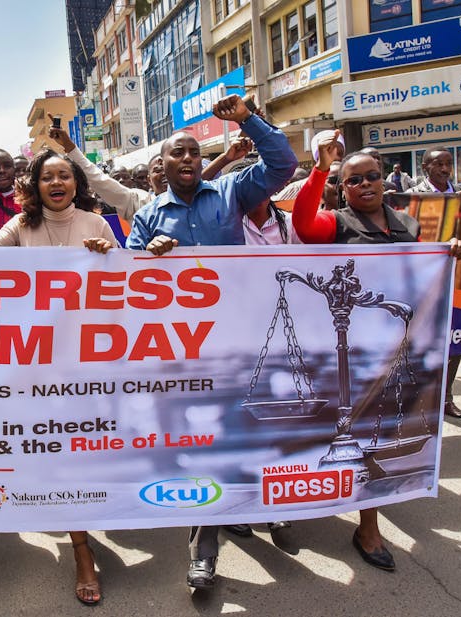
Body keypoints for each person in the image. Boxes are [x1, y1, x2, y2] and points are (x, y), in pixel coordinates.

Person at [126, 94, 298, 591]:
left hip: (241, 341)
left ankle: (259, 506)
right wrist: (150, 256)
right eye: (177, 153)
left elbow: (283, 164)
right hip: (184, 351)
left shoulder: (231, 191)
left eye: (193, 153)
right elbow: (128, 280)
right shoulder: (148, 216)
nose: (187, 159)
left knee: (248, 430)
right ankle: (204, 548)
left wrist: (248, 119)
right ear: (162, 164)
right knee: (203, 444)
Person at [291, 131, 461, 572]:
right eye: (353, 180)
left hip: (397, 346)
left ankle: (367, 512)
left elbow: (417, 272)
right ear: (343, 188)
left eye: (371, 176)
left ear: (383, 180)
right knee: (355, 431)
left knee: (382, 431)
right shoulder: (335, 223)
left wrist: (447, 252)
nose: (364, 185)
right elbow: (303, 225)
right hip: (351, 349)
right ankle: (360, 523)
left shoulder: (407, 224)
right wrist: (320, 168)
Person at [0, 149, 114, 605]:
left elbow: (123, 287)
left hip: (84, 362)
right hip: (33, 361)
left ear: (76, 184)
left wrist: (107, 257)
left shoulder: (96, 224)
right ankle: (80, 546)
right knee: (52, 451)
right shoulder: (21, 226)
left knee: (78, 454)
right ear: (35, 185)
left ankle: (81, 538)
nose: (56, 183)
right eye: (47, 176)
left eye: (64, 176)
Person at [407, 147, 461, 418]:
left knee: (455, 342)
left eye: (448, 163)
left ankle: (446, 398)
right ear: (425, 168)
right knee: (420, 343)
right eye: (438, 164)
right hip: (423, 282)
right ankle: (418, 401)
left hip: (456, 280)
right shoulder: (412, 197)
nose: (444, 169)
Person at [47, 116, 165, 223]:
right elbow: (97, 179)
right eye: (158, 170)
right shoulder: (138, 201)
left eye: (166, 167)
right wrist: (68, 145)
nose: (164, 173)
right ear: (149, 180)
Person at [272, 129, 345, 201]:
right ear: (317, 156)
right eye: (329, 151)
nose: (336, 157)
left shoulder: (348, 185)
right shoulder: (297, 188)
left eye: (340, 153)